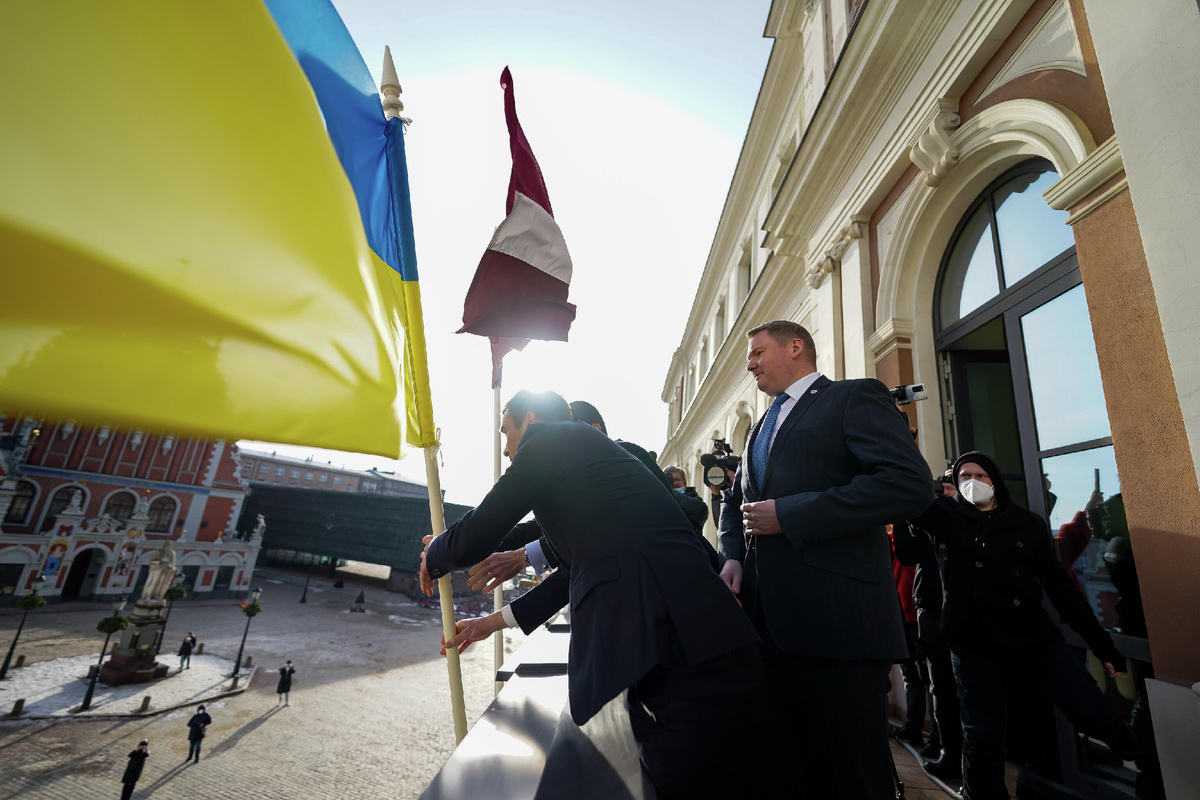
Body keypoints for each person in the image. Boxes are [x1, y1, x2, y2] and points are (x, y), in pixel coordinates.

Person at [421, 389, 769, 799]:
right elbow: (571, 573)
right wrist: (486, 624)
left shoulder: (548, 442)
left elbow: (482, 529)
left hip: (670, 644)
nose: (507, 449)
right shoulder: (590, 462)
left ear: (530, 421)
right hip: (697, 636)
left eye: (506, 432)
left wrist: (437, 553)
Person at [717, 319, 933, 799]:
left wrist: (791, 515)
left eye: (756, 352)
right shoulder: (758, 429)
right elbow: (735, 505)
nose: (749, 363)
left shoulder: (853, 398)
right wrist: (730, 557)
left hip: (839, 630)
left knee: (851, 776)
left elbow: (909, 483)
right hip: (767, 630)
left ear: (796, 347)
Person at [906, 451, 1136, 799]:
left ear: (995, 481)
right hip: (974, 645)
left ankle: (1147, 764)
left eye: (980, 475)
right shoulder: (945, 517)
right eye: (963, 476)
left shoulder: (1027, 524)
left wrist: (1101, 645)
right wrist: (902, 439)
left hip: (1033, 637)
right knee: (983, 738)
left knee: (1091, 709)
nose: (972, 482)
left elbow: (1061, 588)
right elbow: (906, 490)